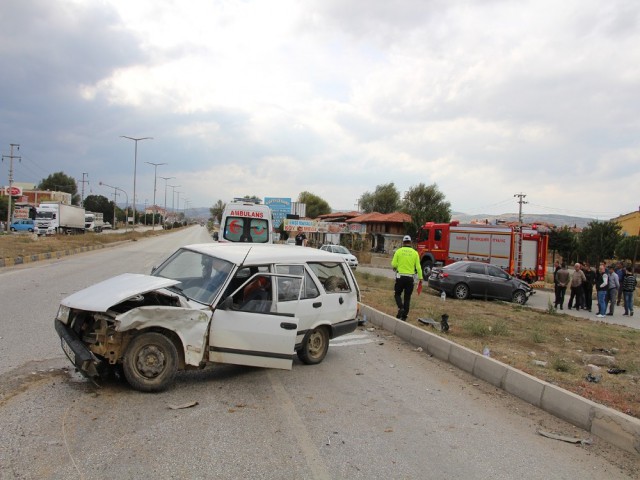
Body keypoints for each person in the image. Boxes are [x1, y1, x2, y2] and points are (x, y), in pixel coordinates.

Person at [391, 235, 423, 321]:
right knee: (407, 297)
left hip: (400, 277)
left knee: (397, 294)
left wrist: (398, 267)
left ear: (403, 242)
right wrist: (421, 278)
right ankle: (404, 316)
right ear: (410, 242)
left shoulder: (398, 251)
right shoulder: (415, 253)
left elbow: (393, 264)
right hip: (410, 278)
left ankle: (400, 308)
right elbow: (418, 267)